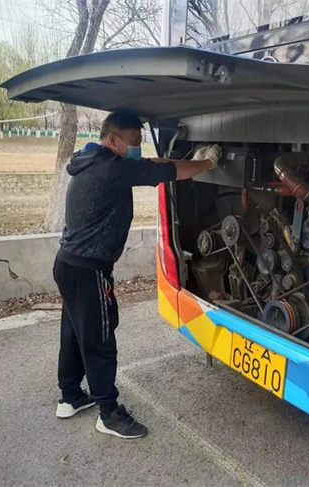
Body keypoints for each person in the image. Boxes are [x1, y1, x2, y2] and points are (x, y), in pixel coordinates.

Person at [53, 110, 221, 439]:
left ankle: (70, 397)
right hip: (90, 269)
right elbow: (168, 171)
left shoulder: (91, 159)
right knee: (100, 339)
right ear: (112, 139)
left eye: (139, 142)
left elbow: (151, 163)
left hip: (69, 264)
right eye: (132, 142)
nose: (136, 148)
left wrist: (185, 160)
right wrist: (208, 163)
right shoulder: (112, 170)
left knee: (74, 331)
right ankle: (108, 414)